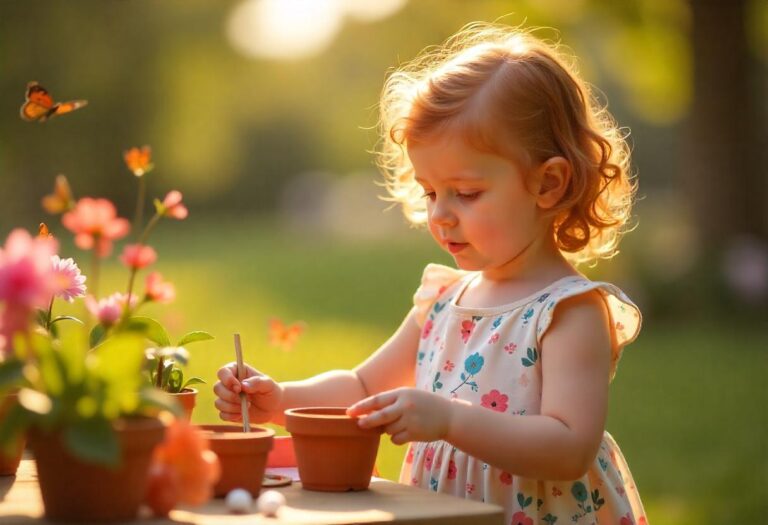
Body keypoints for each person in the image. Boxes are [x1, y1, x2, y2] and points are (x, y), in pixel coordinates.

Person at [214, 21, 647, 524]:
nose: (440, 214)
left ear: (547, 183)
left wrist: (449, 419)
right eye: (430, 191)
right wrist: (281, 398)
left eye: (465, 193)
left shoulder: (568, 311)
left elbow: (568, 447)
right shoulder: (443, 299)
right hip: (447, 510)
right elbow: (361, 387)